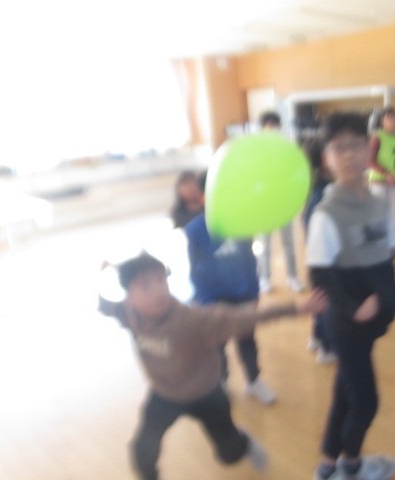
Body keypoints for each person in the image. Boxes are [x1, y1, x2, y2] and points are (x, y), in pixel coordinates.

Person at [98, 251, 327, 480]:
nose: (158, 290)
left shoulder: (194, 321)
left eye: (161, 280)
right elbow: (102, 302)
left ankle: (243, 442)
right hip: (164, 395)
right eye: (145, 286)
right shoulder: (126, 313)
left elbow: (243, 317)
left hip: (206, 395)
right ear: (129, 298)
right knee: (142, 452)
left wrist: (296, 308)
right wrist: (106, 271)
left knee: (230, 455)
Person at [306, 112, 395, 480]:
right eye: (339, 148)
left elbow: (387, 257)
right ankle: (352, 466)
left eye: (356, 145)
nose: (349, 154)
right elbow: (320, 276)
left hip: (371, 321)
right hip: (346, 324)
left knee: (345, 389)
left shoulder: (378, 203)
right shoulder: (325, 214)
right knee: (365, 402)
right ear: (326, 158)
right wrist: (353, 308)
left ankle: (328, 463)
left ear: (368, 149)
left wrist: (390, 296)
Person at [184, 171, 277, 404]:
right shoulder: (195, 230)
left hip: (243, 296)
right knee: (217, 345)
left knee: (247, 341)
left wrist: (254, 293)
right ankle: (222, 382)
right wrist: (206, 301)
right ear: (202, 196)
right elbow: (196, 270)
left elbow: (250, 261)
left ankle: (254, 381)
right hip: (214, 300)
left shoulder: (241, 225)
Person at [256, 110, 304, 293]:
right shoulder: (256, 149)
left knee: (288, 243)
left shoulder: (286, 147)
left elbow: (293, 172)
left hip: (283, 203)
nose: (272, 129)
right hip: (263, 204)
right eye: (269, 126)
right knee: (264, 245)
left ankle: (292, 277)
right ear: (262, 128)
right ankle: (264, 278)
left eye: (275, 126)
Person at [302, 137, 336, 365]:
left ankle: (316, 337)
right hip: (326, 255)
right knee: (328, 300)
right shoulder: (325, 190)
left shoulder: (313, 185)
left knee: (319, 295)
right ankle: (326, 347)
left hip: (316, 254)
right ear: (324, 159)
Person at [368, 106, 395, 253]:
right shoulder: (376, 137)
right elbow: (369, 160)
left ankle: (392, 245)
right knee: (378, 214)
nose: (393, 121)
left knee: (394, 214)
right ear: (383, 121)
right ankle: (377, 245)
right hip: (379, 181)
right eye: (389, 118)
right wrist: (386, 174)